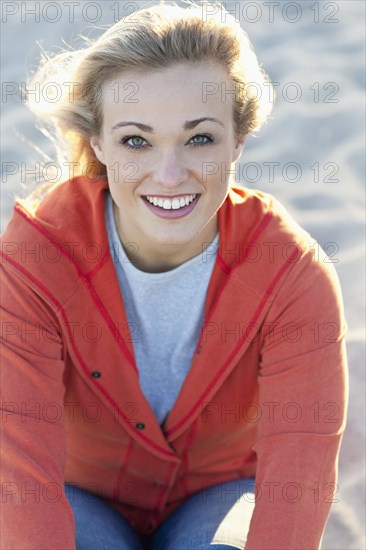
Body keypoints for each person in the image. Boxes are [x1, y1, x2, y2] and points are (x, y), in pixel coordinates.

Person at [0, 1, 348, 549]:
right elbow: (20, 478)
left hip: (219, 495)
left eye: (200, 138)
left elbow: (296, 488)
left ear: (239, 140)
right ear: (99, 144)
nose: (168, 174)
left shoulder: (293, 276)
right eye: (136, 140)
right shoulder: (36, 254)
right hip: (80, 492)